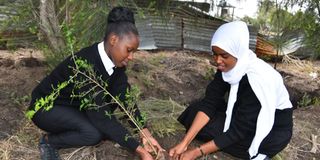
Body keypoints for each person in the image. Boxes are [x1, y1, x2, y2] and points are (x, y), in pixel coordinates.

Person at [28, 6, 163, 160]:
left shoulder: (117, 63)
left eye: (134, 52)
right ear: (113, 40)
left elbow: (124, 97)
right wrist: (139, 150)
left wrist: (144, 132)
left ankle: (84, 126)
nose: (131, 57)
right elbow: (101, 117)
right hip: (46, 108)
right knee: (93, 134)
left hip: (75, 105)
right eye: (129, 50)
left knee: (107, 117)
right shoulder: (86, 65)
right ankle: (48, 142)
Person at [169, 21, 293, 160]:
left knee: (214, 131)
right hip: (242, 115)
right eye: (215, 54)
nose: (218, 60)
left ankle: (261, 154)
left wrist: (196, 152)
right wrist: (184, 143)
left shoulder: (257, 80)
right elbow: (210, 102)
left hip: (270, 132)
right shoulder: (228, 68)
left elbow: (239, 130)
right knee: (194, 111)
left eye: (224, 56)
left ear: (237, 51)